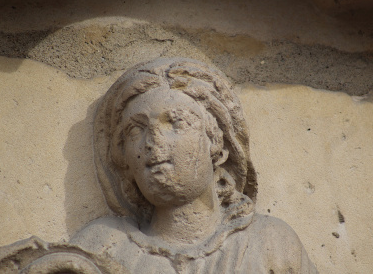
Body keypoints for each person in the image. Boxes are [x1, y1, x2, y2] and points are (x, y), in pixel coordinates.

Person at [71, 58, 318, 273]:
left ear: (217, 143)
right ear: (122, 155)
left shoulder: (271, 244)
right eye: (136, 129)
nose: (153, 141)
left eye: (176, 123)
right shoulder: (101, 248)